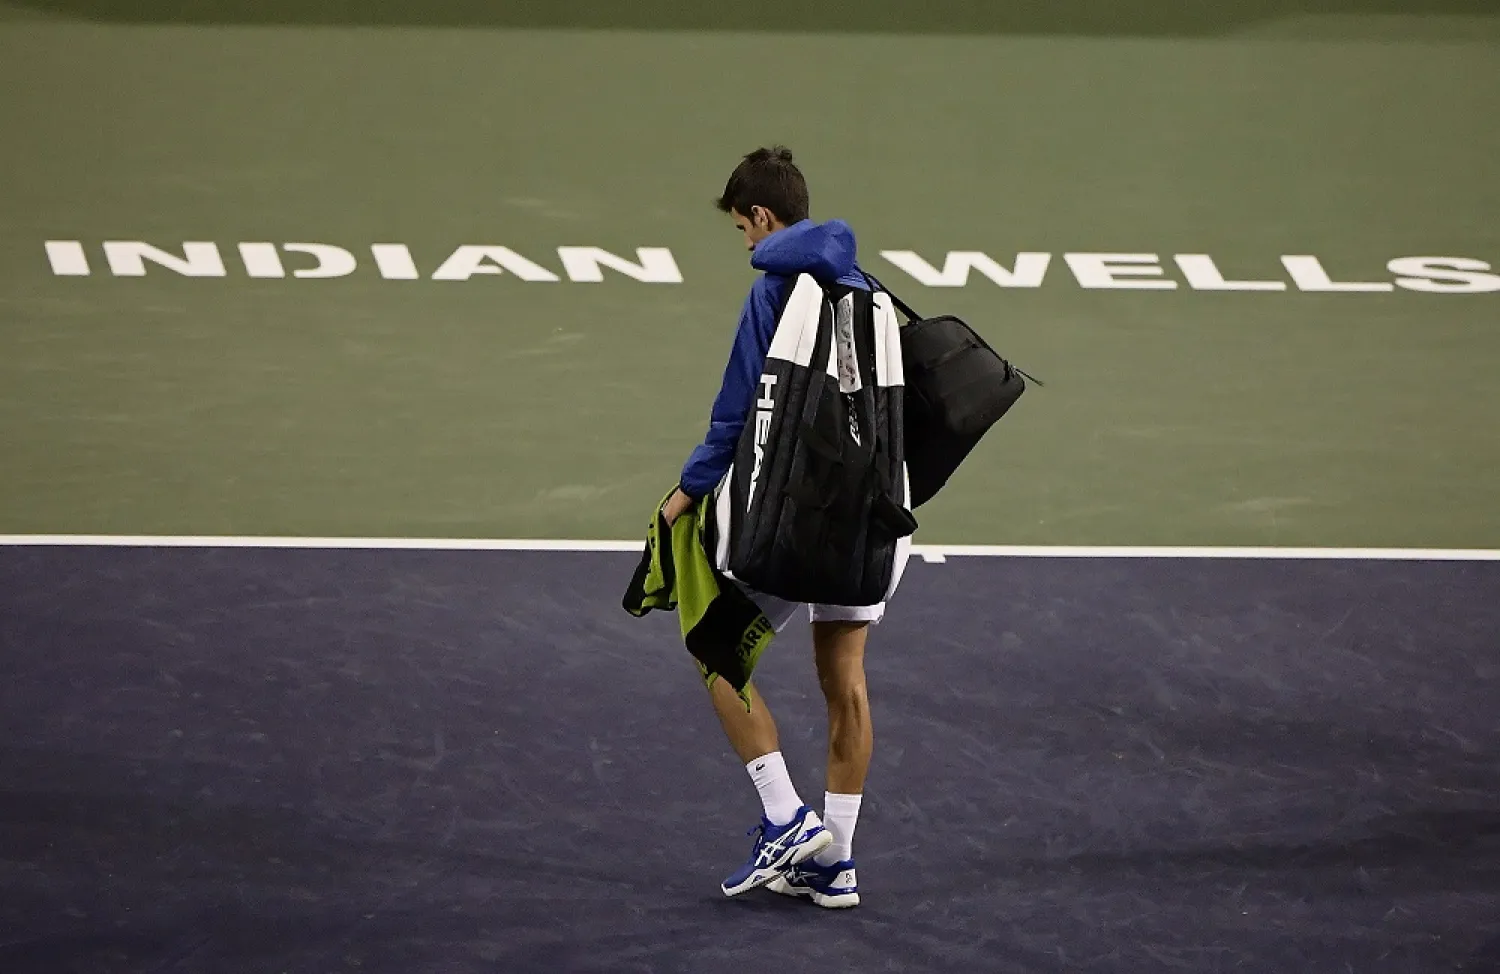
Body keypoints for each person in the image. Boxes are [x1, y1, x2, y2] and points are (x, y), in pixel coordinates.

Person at [659, 146, 886, 909]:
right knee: (845, 683)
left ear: (762, 215)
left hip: (794, 517)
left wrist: (687, 492)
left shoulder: (772, 292)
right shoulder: (865, 288)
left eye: (743, 229)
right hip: (870, 516)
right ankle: (836, 863)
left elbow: (736, 412)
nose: (747, 243)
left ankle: (785, 816)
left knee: (716, 651)